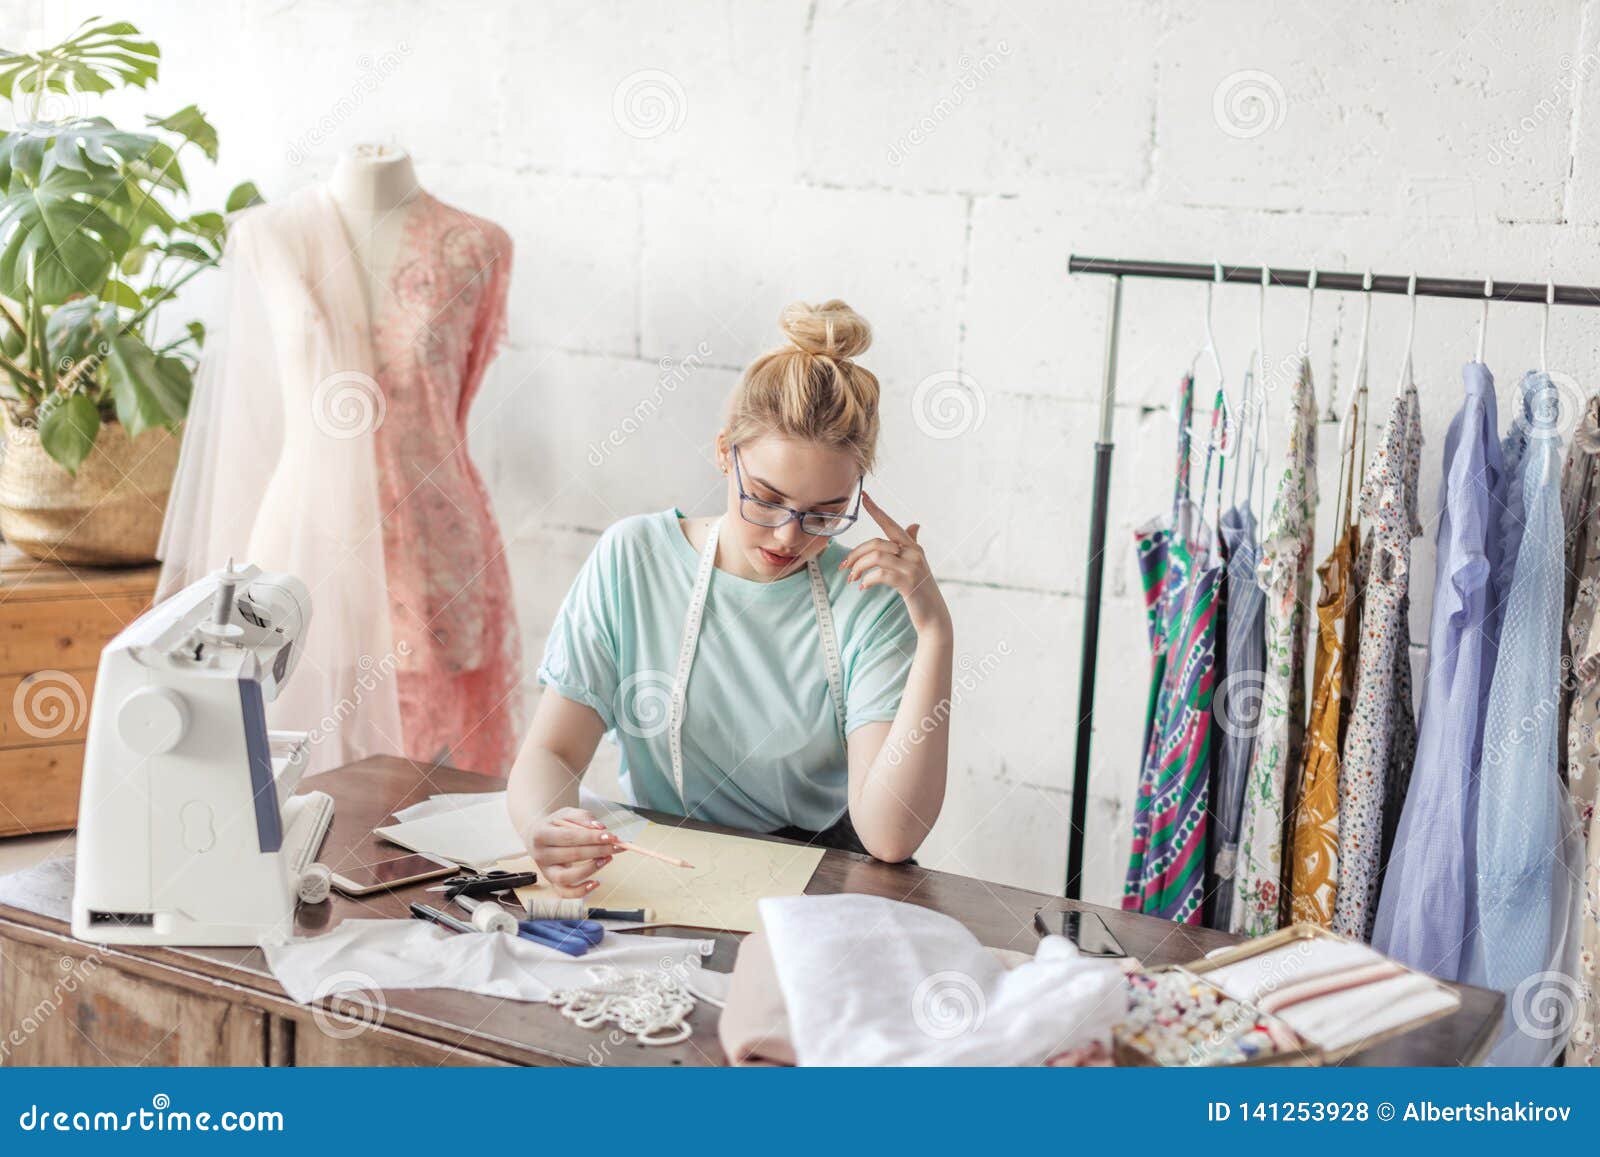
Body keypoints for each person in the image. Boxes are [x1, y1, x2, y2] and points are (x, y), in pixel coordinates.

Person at [507, 300, 954, 897]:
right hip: (663, 860)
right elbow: (554, 752)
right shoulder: (632, 559)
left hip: (815, 878)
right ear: (725, 453)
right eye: (766, 499)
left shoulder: (866, 596)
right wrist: (544, 824)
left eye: (825, 515)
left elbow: (890, 838)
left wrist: (935, 631)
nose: (788, 536)